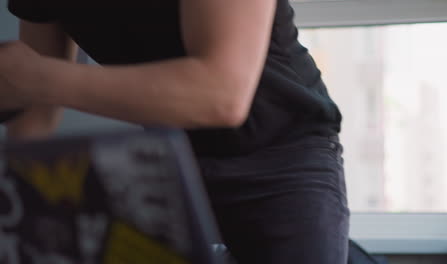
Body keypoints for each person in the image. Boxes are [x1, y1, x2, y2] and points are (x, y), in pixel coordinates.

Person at [0, 0, 350, 263]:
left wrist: (40, 79)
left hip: (282, 155)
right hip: (169, 161)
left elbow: (220, 96)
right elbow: (33, 118)